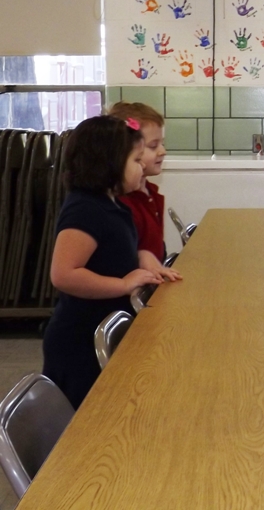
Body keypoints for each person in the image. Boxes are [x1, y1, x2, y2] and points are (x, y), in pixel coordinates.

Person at [43, 116, 179, 409]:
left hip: (100, 327)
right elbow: (64, 274)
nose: (142, 167)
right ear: (108, 164)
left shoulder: (113, 204)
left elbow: (118, 249)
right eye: (136, 160)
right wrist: (123, 284)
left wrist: (144, 257)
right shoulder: (85, 209)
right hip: (80, 341)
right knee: (88, 417)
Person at [107, 102, 171, 270]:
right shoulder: (121, 205)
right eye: (153, 146)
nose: (162, 151)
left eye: (162, 143)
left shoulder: (150, 192)